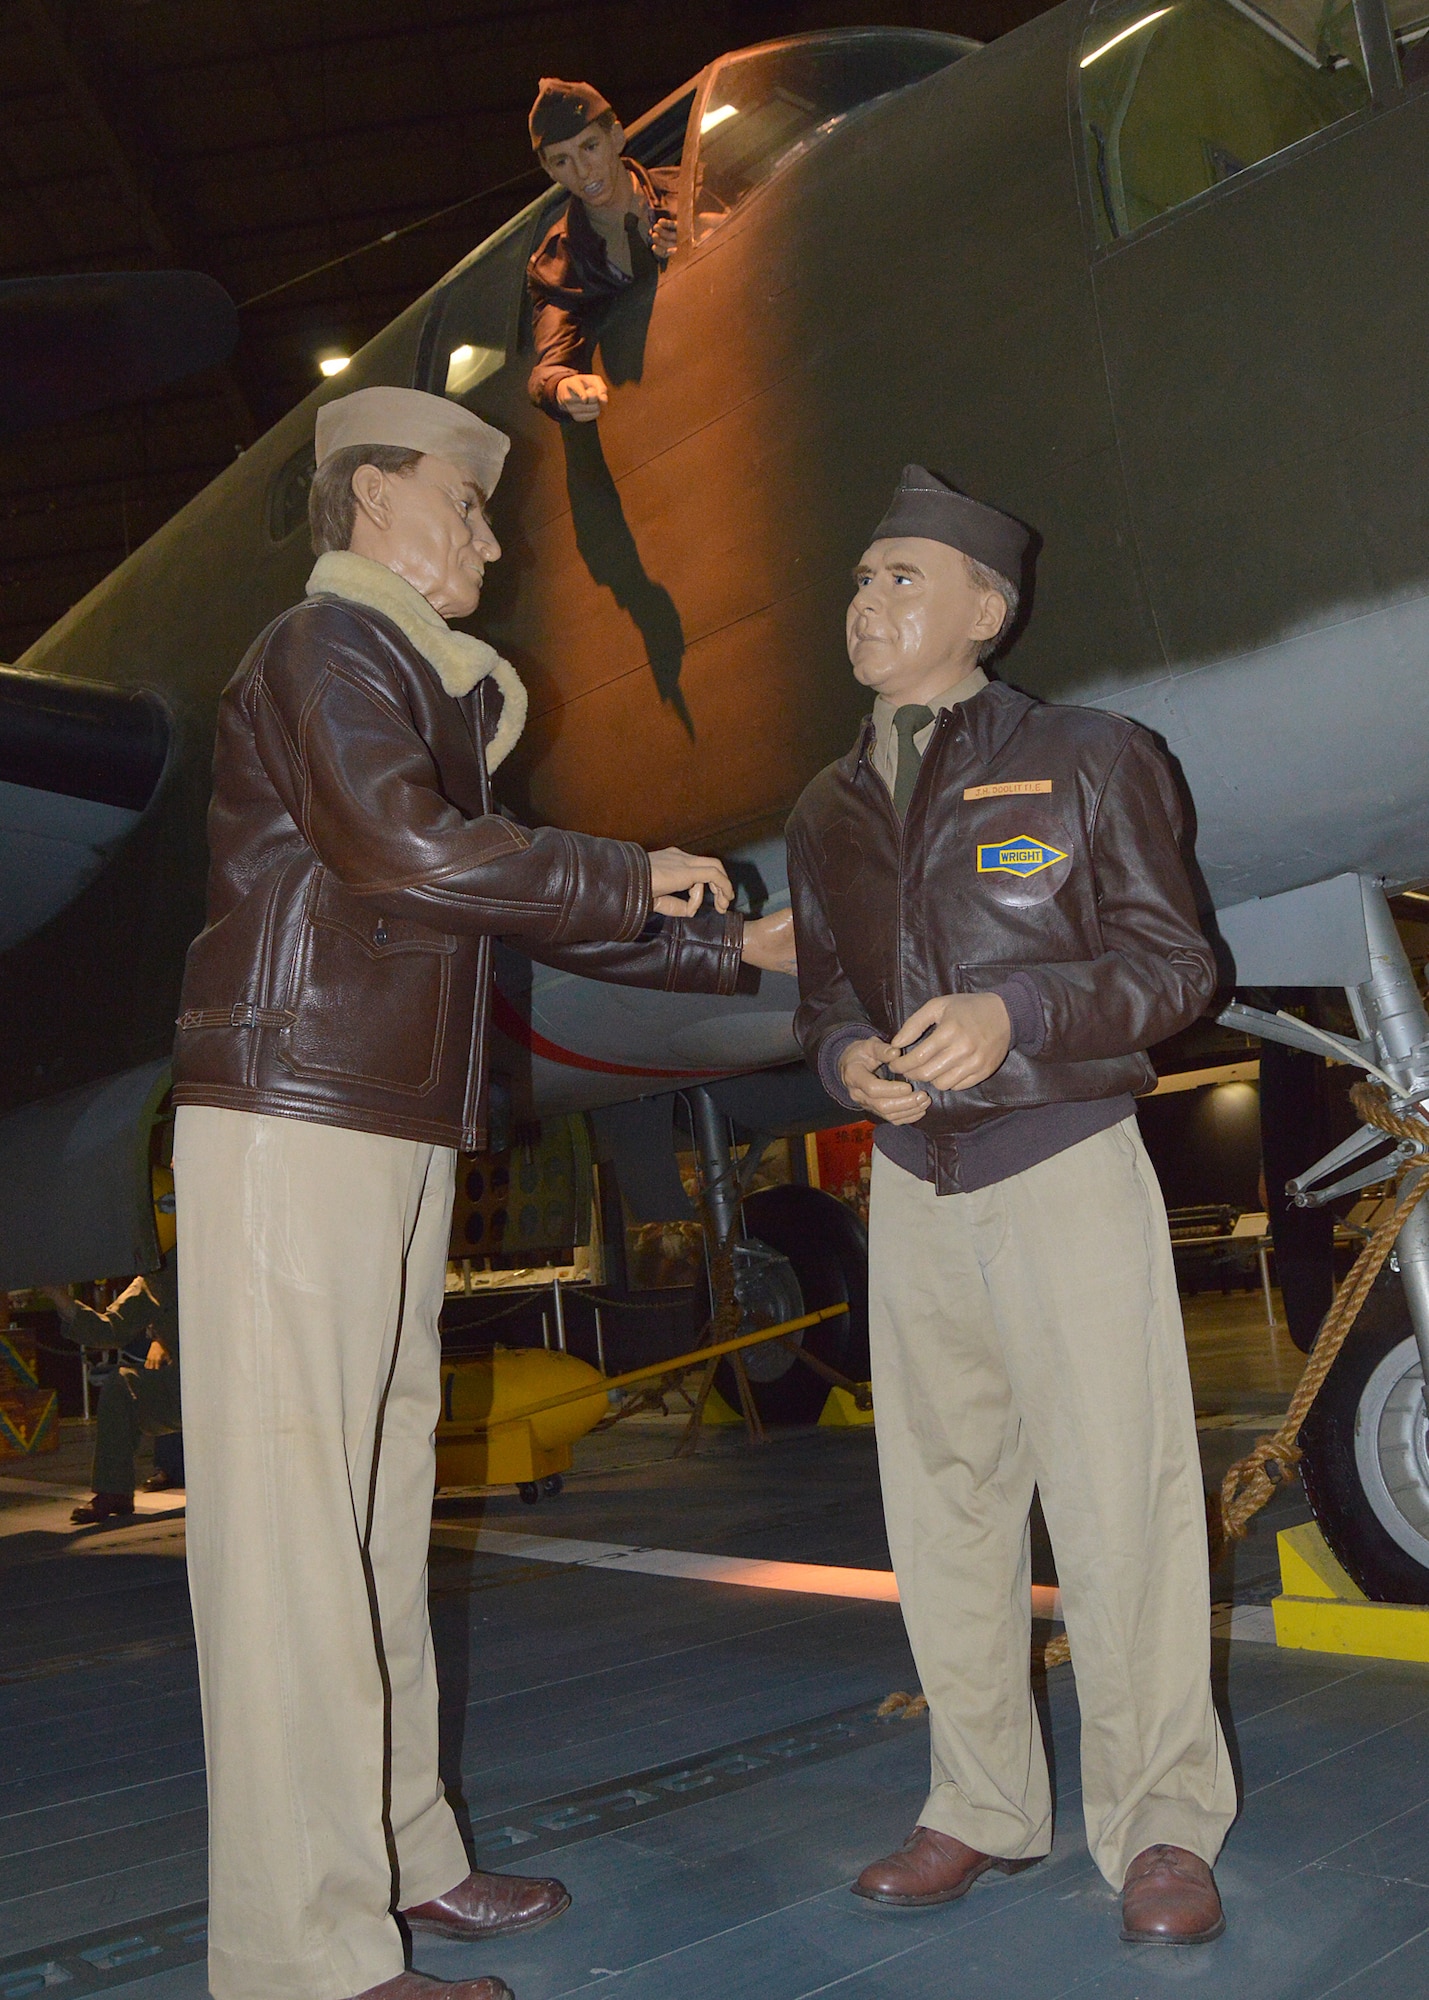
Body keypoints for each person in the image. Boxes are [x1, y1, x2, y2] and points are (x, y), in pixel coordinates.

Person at [171, 383, 790, 2000]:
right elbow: (408, 852)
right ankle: (296, 1953)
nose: (491, 533)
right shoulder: (324, 655)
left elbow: (491, 881)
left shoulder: (407, 681)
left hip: (376, 1120)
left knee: (373, 1517)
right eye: (465, 500)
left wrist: (731, 943)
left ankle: (400, 1859)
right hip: (293, 1112)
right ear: (373, 497)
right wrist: (630, 874)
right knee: (292, 1544)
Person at [785, 465, 1236, 1947]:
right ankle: (978, 1803)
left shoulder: (1092, 752)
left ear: (987, 608)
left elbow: (1176, 967)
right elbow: (828, 1002)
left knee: (1125, 1507)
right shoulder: (827, 805)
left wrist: (1018, 1011)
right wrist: (851, 1059)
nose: (869, 601)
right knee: (946, 1510)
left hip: (1058, 1164)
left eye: (902, 578)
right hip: (913, 1193)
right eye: (860, 579)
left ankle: (1163, 1824)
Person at [525, 77, 676, 422]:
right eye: (562, 161)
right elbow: (549, 367)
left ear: (616, 137)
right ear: (550, 171)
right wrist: (564, 390)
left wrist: (693, 238)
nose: (582, 171)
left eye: (589, 147)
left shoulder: (689, 189)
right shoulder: (555, 267)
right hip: (651, 408)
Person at [43, 1256, 181, 1524]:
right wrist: (57, 1295)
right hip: (187, 1388)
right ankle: (113, 1490)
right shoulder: (155, 1281)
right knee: (123, 1385)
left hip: (236, 1384)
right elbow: (110, 1329)